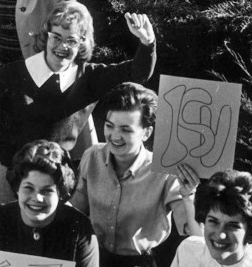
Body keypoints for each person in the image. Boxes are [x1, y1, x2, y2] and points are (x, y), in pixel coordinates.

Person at [0, 3, 157, 205]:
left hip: (56, 175)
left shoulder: (88, 77)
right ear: (46, 36)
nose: (62, 47)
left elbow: (137, 73)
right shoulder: (14, 73)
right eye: (56, 37)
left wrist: (147, 41)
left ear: (82, 43)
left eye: (71, 41)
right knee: (5, 231)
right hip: (11, 172)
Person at [70, 83, 203, 266]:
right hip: (93, 257)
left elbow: (190, 231)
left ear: (146, 133)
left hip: (141, 262)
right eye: (110, 126)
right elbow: (76, 209)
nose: (114, 136)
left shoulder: (166, 172)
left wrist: (188, 196)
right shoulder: (92, 156)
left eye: (126, 130)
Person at [0, 140, 98, 267]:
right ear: (17, 188)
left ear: (60, 194)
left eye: (47, 190)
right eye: (29, 188)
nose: (37, 197)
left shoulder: (80, 231)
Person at [172, 170, 252, 267]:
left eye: (232, 226)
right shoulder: (188, 250)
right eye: (213, 221)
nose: (220, 235)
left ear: (250, 231)